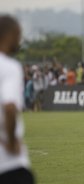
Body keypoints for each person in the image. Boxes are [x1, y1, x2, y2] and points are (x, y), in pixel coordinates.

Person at [0, 15, 35, 183]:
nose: (19, 40)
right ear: (8, 35)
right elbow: (9, 107)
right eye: (18, 35)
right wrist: (12, 141)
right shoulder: (9, 67)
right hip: (8, 163)